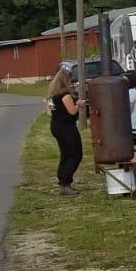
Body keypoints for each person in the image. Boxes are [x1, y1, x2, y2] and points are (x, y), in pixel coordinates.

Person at [46, 66, 84, 195]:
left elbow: (49, 113)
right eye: (69, 80)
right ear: (65, 81)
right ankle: (66, 181)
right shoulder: (65, 95)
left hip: (56, 126)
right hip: (67, 128)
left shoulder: (51, 96)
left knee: (65, 154)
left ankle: (62, 179)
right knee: (75, 154)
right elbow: (72, 111)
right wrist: (78, 104)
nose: (71, 83)